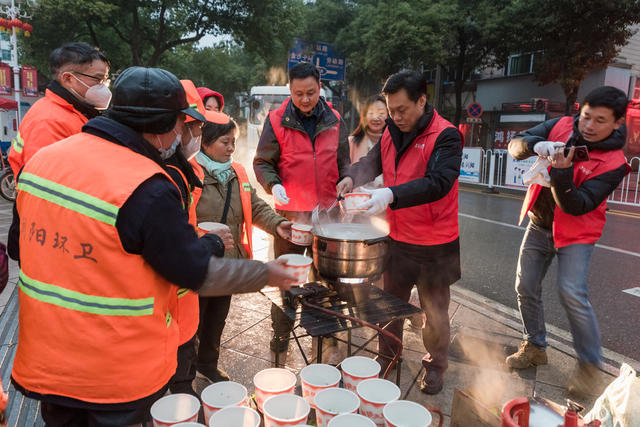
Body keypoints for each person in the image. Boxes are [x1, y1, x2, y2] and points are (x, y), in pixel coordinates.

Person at [7, 66, 295, 426]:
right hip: (113, 376)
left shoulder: (43, 162)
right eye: (181, 123)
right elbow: (194, 272)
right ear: (163, 125)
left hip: (47, 362)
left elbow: (19, 248)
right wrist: (267, 271)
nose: (183, 133)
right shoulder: (145, 186)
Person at [337, 70, 463, 395]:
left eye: (401, 109)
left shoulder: (446, 135)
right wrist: (351, 177)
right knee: (388, 305)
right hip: (397, 239)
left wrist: (390, 195)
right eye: (391, 110)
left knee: (435, 312)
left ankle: (435, 366)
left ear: (422, 100)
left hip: (435, 245)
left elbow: (439, 182)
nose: (394, 116)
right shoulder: (393, 130)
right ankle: (388, 357)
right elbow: (373, 160)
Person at [506, 86, 630, 397]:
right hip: (539, 223)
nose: (589, 125)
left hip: (576, 234)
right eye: (586, 116)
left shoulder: (615, 162)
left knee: (572, 293)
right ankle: (534, 345)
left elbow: (577, 205)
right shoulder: (560, 125)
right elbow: (515, 145)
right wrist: (538, 145)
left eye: (600, 120)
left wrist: (561, 174)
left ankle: (590, 368)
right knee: (525, 285)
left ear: (617, 123)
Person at [253, 62, 350, 354]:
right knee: (286, 280)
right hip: (291, 219)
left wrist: (347, 177)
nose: (305, 99)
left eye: (310, 92)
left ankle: (326, 332)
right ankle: (281, 332)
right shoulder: (276, 119)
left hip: (328, 217)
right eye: (298, 94)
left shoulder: (334, 118)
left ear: (320, 88)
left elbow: (344, 161)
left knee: (327, 279)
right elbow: (262, 162)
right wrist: (273, 184)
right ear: (290, 90)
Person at [195, 110, 292, 388]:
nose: (231, 148)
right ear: (205, 142)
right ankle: (182, 376)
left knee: (216, 319)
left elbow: (255, 205)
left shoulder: (237, 171)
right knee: (192, 324)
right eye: (225, 142)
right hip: (199, 262)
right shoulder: (190, 172)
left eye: (233, 141)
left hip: (228, 263)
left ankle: (207, 365)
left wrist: (278, 224)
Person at [8, 42, 110, 176]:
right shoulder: (48, 121)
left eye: (105, 79)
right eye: (98, 79)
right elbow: (46, 182)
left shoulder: (73, 111)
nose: (103, 87)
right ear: (68, 79)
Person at [349, 94, 388, 188]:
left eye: (381, 113)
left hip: (385, 200)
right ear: (364, 116)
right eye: (371, 113)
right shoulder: (352, 143)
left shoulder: (393, 143)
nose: (376, 118)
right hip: (357, 199)